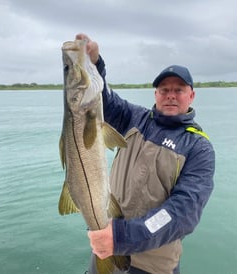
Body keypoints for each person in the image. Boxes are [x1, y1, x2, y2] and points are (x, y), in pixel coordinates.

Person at [76, 34, 215, 274]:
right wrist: (94, 63)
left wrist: (123, 236)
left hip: (152, 265)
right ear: (155, 94)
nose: (170, 95)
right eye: (164, 89)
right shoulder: (134, 118)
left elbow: (183, 212)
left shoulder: (199, 147)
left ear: (191, 95)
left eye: (179, 89)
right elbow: (103, 100)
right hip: (107, 248)